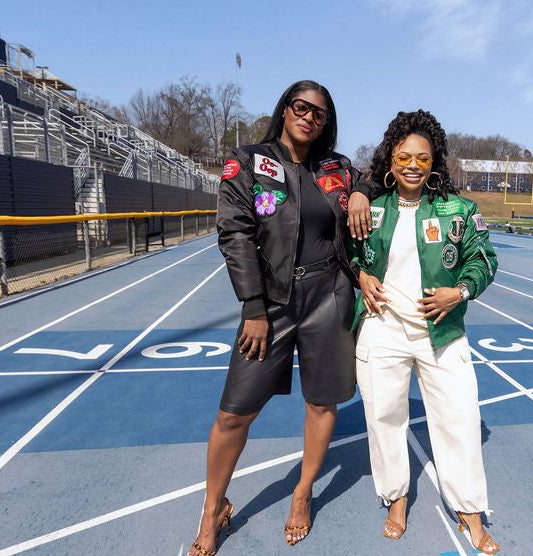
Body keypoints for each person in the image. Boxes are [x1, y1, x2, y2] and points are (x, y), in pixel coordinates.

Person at [187, 80, 372, 555]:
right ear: (285, 108)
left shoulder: (337, 167)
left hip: (328, 294)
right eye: (301, 107)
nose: (309, 117)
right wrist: (252, 306)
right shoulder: (248, 162)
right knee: (234, 414)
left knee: (323, 403)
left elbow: (378, 175)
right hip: (269, 303)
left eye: (320, 113)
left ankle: (303, 491)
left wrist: (361, 194)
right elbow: (235, 234)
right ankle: (213, 508)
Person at [352, 110, 500, 554]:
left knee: (459, 419)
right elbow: (351, 256)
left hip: (442, 332)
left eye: (422, 157)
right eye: (404, 156)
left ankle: (469, 510)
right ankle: (396, 499)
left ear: (434, 161)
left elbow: (486, 259)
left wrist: (459, 292)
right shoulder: (373, 209)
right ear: (390, 160)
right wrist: (361, 275)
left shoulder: (459, 209)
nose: (413, 165)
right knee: (384, 419)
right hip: (382, 328)